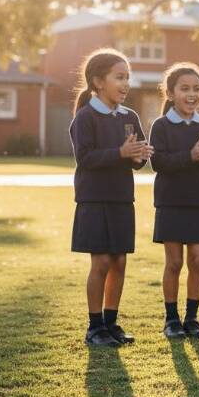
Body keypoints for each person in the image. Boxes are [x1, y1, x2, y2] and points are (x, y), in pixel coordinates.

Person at [69, 48, 153, 346]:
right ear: (98, 81)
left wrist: (139, 155)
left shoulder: (129, 116)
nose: (126, 83)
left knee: (119, 261)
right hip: (94, 200)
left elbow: (137, 159)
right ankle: (94, 328)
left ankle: (111, 323)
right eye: (120, 77)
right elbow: (86, 158)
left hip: (121, 199)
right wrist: (121, 153)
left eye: (128, 77)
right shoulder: (85, 117)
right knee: (101, 262)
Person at [149, 62, 199, 339]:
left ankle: (192, 318)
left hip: (198, 203)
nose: (191, 94)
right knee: (174, 262)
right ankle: (171, 319)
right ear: (170, 93)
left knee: (197, 260)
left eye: (196, 89)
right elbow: (158, 162)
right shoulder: (161, 126)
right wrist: (189, 157)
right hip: (170, 203)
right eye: (184, 89)